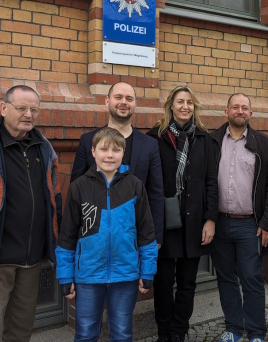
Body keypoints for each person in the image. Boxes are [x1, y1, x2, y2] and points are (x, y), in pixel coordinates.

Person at [0, 85, 61, 342]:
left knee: (20, 333)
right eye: (22, 108)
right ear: (3, 108)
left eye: (34, 109)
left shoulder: (44, 147)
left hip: (31, 261)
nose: (28, 114)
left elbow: (56, 202)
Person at [56, 127, 158, 341]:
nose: (109, 155)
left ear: (123, 152)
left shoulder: (135, 186)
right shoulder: (79, 188)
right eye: (103, 149)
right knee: (85, 332)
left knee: (121, 332)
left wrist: (147, 272)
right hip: (88, 275)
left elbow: (146, 233)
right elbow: (67, 236)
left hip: (125, 273)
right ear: (93, 152)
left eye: (116, 150)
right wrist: (66, 275)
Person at [210, 93, 268, 342]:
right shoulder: (211, 141)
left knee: (252, 279)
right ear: (226, 111)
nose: (240, 111)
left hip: (250, 225)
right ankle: (233, 329)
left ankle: (256, 333)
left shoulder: (264, 144)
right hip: (219, 223)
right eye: (235, 107)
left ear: (251, 114)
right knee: (225, 278)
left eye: (245, 108)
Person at [147, 86, 218, 342]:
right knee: (163, 283)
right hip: (165, 223)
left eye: (189, 102)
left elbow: (212, 181)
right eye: (180, 102)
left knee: (187, 283)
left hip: (194, 221)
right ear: (171, 106)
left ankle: (179, 331)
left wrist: (210, 219)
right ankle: (164, 332)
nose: (185, 106)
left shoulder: (205, 140)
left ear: (194, 107)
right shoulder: (155, 137)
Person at [71, 82, 164, 246]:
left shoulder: (150, 145)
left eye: (129, 98)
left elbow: (155, 194)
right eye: (118, 97)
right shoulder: (88, 141)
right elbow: (76, 192)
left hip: (135, 236)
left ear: (135, 104)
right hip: (95, 235)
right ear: (107, 101)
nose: (124, 102)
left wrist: (155, 237)